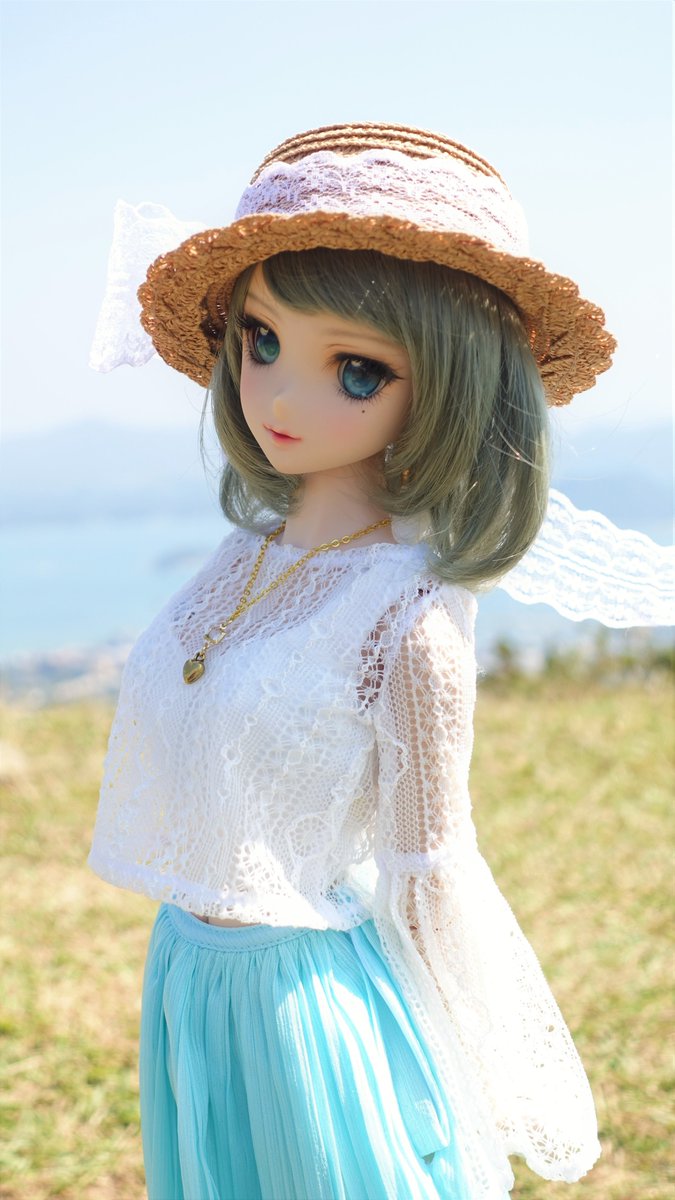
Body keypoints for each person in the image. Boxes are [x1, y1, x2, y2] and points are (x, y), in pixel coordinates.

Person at [87, 122, 615, 1200]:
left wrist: (482, 1080)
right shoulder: (245, 555)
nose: (280, 397)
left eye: (358, 368)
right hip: (189, 974)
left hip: (304, 1005)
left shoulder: (408, 620)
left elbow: (433, 873)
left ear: (451, 384)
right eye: (261, 341)